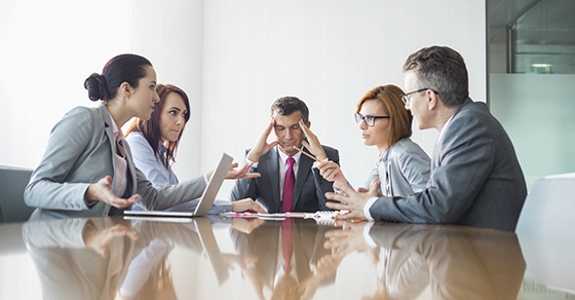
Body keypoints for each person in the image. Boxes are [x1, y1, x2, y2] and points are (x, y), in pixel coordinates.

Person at [24, 54, 264, 221]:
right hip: (56, 242)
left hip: (95, 246)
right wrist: (88, 192)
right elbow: (34, 190)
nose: (156, 97)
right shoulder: (84, 120)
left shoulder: (123, 145)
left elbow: (154, 199)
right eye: (151, 87)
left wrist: (212, 177)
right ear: (126, 89)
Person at [325, 46, 527, 232]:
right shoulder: (460, 126)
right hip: (467, 252)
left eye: (408, 98)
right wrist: (382, 204)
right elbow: (438, 201)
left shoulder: (469, 126)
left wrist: (373, 206)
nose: (406, 107)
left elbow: (438, 206)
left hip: (490, 261)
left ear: (430, 98)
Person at [124, 83, 262, 213]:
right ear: (153, 111)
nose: (181, 122)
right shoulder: (136, 143)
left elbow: (175, 201)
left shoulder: (158, 152)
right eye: (173, 112)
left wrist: (230, 205)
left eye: (184, 115)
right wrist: (231, 205)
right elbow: (165, 201)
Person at [315, 84, 430, 197]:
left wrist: (385, 206)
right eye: (361, 117)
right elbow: (362, 202)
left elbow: (433, 207)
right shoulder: (384, 158)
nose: (361, 125)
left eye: (370, 118)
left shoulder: (405, 154)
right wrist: (340, 180)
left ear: (394, 121)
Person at [230, 96, 340, 213]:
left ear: (307, 127)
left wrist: (321, 159)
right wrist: (252, 159)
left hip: (309, 229)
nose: (288, 136)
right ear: (272, 128)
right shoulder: (258, 157)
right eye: (280, 128)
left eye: (295, 127)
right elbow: (236, 207)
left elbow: (331, 210)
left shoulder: (328, 155)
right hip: (267, 229)